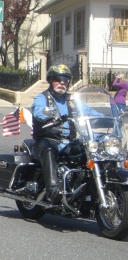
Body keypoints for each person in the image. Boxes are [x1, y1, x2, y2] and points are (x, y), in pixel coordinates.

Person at [32, 64, 102, 203]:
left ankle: (87, 189)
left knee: (90, 150)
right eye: (58, 78)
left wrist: (103, 119)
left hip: (68, 142)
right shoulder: (42, 97)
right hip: (47, 140)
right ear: (51, 80)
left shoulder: (72, 100)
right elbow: (38, 111)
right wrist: (48, 117)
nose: (62, 82)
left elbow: (89, 112)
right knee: (49, 148)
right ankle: (53, 190)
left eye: (65, 79)